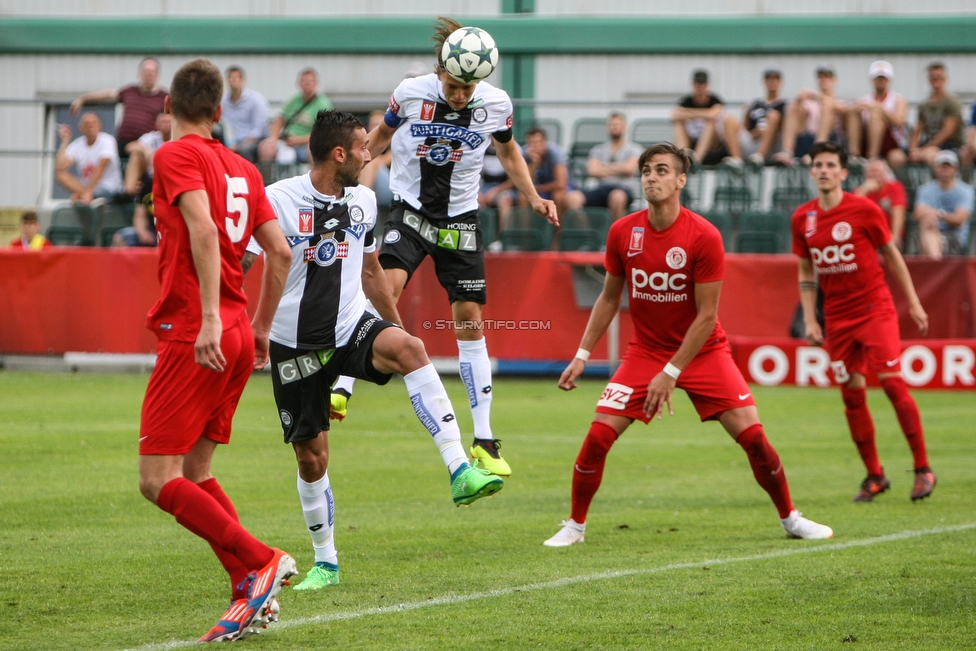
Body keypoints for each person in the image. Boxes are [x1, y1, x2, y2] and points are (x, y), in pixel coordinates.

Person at [242, 110, 504, 591]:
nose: (371, 154)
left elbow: (370, 273)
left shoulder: (363, 200)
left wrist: (400, 332)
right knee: (311, 458)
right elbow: (242, 262)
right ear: (339, 154)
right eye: (364, 147)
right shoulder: (277, 199)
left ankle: (460, 469)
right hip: (295, 344)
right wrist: (233, 323)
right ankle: (327, 561)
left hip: (350, 325)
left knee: (410, 349)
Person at [543, 142, 833, 547]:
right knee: (597, 437)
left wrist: (671, 373)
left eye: (662, 170)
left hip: (704, 352)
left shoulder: (704, 236)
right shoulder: (624, 231)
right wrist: (582, 355)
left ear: (681, 180)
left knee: (752, 437)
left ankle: (791, 518)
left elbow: (706, 317)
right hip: (645, 353)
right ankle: (574, 526)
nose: (651, 177)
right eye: (646, 170)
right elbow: (609, 298)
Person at [332, 17, 560, 478]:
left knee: (471, 320)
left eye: (469, 87)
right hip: (412, 212)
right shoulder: (411, 92)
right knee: (383, 290)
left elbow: (509, 152)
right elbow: (380, 137)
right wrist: (348, 174)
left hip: (460, 220)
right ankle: (343, 384)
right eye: (454, 85)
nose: (461, 95)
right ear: (440, 70)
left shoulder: (496, 105)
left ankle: (485, 440)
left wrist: (534, 196)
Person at [136, 58, 295, 642]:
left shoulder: (173, 155)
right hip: (234, 330)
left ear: (168, 109)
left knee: (157, 478)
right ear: (219, 111)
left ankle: (261, 560)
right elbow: (279, 252)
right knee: (197, 470)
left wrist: (204, 317)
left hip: (195, 331)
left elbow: (202, 230)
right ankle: (252, 589)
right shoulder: (246, 169)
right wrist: (257, 327)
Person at [792, 141, 935, 503]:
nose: (824, 170)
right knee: (852, 396)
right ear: (812, 172)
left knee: (892, 385)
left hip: (874, 309)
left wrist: (914, 303)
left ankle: (922, 469)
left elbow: (891, 255)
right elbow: (806, 269)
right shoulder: (802, 219)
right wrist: (810, 318)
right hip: (837, 318)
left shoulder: (864, 210)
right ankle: (875, 475)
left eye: (830, 165)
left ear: (842, 173)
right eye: (818, 165)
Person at [70, 57, 169, 158]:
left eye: (152, 72)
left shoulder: (164, 97)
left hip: (147, 145)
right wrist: (83, 98)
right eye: (146, 71)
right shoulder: (130, 91)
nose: (149, 75)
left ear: (157, 75)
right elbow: (109, 93)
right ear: (140, 74)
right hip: (123, 143)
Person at [563, 112, 642, 222]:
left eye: (618, 124)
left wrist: (603, 167)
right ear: (607, 127)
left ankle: (614, 236)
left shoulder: (634, 149)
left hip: (623, 189)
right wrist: (619, 169)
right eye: (612, 124)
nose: (615, 127)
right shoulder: (598, 149)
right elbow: (592, 171)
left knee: (617, 197)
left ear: (625, 127)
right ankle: (588, 237)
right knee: (572, 198)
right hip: (601, 189)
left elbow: (629, 169)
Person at [774, 65, 848, 166]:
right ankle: (787, 151)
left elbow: (845, 110)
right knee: (794, 107)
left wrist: (816, 96)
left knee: (827, 108)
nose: (823, 80)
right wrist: (799, 99)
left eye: (826, 77)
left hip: (831, 141)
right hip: (808, 138)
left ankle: (817, 151)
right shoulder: (810, 103)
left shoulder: (839, 102)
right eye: (820, 77)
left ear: (834, 81)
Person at [258, 68, 333, 166]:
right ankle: (267, 179)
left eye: (311, 81)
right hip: (287, 141)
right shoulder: (293, 99)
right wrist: (273, 138)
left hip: (307, 143)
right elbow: (279, 119)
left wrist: (298, 140)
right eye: (304, 81)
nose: (307, 84)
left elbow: (324, 132)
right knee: (265, 148)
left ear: (316, 84)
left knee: (315, 151)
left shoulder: (324, 104)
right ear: (299, 83)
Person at [671, 69, 741, 167]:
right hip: (693, 140)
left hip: (713, 144)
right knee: (678, 123)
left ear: (707, 85)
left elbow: (714, 114)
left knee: (711, 122)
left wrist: (689, 113)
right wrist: (703, 113)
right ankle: (684, 155)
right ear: (693, 85)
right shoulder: (687, 100)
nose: (700, 87)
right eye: (698, 84)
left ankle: (696, 160)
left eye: (702, 84)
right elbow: (674, 114)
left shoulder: (714, 99)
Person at [846, 61, 908, 168]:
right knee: (853, 113)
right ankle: (854, 154)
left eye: (883, 78)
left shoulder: (897, 99)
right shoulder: (864, 100)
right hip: (866, 139)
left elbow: (899, 121)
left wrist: (878, 107)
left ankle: (872, 156)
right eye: (878, 78)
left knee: (875, 115)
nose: (881, 81)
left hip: (890, 142)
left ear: (889, 80)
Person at [913, 149, 974, 258]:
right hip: (930, 232)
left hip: (955, 238)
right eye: (942, 166)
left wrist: (937, 214)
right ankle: (937, 265)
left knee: (927, 232)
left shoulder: (966, 190)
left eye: (949, 166)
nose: (945, 169)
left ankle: (934, 267)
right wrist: (932, 218)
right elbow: (917, 214)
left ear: (955, 168)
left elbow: (959, 219)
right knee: (927, 225)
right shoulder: (925, 190)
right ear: (935, 168)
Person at [56, 113, 123, 204]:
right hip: (87, 188)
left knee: (82, 197)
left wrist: (88, 192)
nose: (90, 126)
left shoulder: (108, 140)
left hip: (109, 187)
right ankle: (83, 194)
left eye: (93, 123)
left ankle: (82, 195)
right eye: (86, 124)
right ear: (81, 128)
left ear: (100, 127)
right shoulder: (77, 144)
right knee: (60, 175)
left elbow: (101, 167)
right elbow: (60, 167)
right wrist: (65, 141)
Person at [908, 62, 965, 167]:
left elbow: (948, 132)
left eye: (939, 77)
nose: (936, 80)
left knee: (930, 155)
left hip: (950, 146)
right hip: (930, 144)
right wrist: (913, 149)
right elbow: (917, 130)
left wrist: (924, 149)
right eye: (933, 78)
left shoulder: (951, 102)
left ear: (945, 79)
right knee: (900, 157)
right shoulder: (924, 105)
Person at [734, 67, 786, 166]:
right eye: (769, 79)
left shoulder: (785, 105)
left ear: (780, 82)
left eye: (775, 79)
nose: (772, 82)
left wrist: (766, 132)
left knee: (773, 115)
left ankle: (760, 156)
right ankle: (737, 159)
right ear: (764, 82)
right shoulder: (754, 104)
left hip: (774, 144)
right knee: (729, 120)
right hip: (753, 142)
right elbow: (744, 127)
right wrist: (755, 133)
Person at [854, 159, 907, 249]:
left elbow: (898, 213)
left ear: (885, 173)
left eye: (877, 171)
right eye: (870, 171)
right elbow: (852, 213)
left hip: (889, 236)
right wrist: (863, 191)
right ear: (865, 175)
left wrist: (895, 237)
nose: (873, 174)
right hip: (866, 237)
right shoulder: (859, 191)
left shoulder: (895, 187)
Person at [222, 65, 269, 163]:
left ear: (243, 80)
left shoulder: (256, 100)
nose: (233, 81)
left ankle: (248, 176)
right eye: (230, 78)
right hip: (230, 142)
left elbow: (258, 130)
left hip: (252, 142)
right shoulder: (223, 102)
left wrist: (240, 145)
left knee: (244, 150)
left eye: (236, 78)